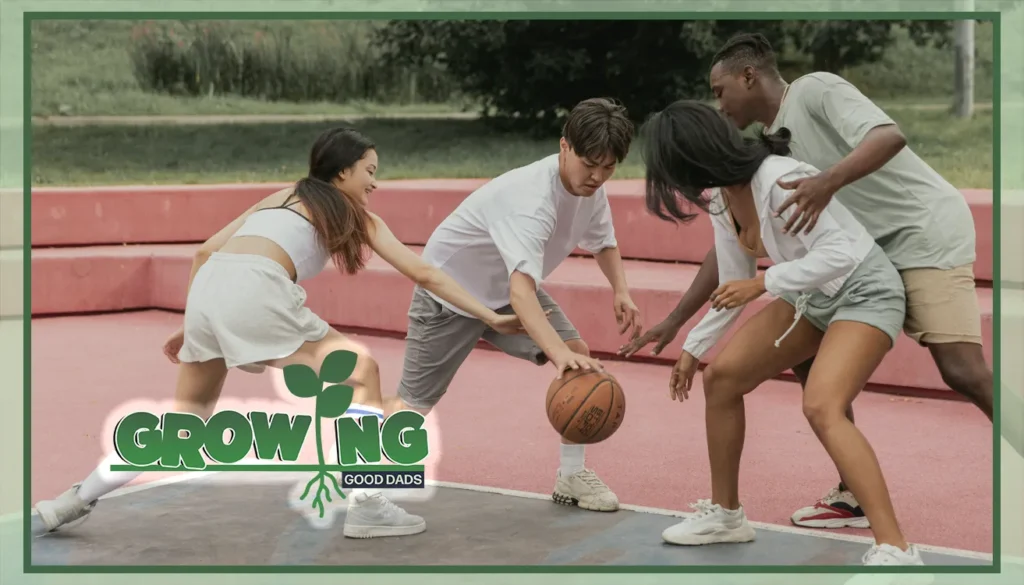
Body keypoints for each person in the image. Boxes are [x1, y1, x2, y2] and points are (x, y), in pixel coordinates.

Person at [33, 127, 530, 540]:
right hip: (255, 286)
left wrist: (192, 323)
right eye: (370, 172)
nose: (375, 184)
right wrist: (489, 315)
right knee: (363, 371)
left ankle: (73, 500)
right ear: (343, 172)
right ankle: (367, 503)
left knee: (185, 423)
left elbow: (206, 251)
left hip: (212, 287)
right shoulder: (356, 215)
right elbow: (426, 275)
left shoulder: (285, 196)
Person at [622, 31, 1002, 531]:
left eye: (719, 91)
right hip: (847, 254)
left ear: (748, 75)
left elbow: (890, 136)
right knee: (803, 363)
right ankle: (851, 490)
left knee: (961, 370)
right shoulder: (748, 166)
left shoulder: (814, 90)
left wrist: (826, 183)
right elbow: (732, 251)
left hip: (918, 231)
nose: (718, 103)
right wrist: (679, 324)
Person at [639, 99, 927, 569]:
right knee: (724, 377)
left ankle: (897, 551)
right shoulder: (721, 198)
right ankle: (727, 517)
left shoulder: (777, 177)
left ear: (692, 157)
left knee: (821, 405)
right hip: (810, 296)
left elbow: (837, 255)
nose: (671, 182)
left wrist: (764, 283)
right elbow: (734, 278)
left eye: (670, 168)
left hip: (864, 289)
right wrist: (693, 348)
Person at [385, 97, 643, 513]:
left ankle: (571, 476)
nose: (597, 176)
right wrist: (555, 355)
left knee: (577, 356)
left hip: (504, 287)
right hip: (450, 294)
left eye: (609, 167)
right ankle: (366, 492)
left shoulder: (590, 189)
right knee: (415, 403)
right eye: (590, 163)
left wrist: (621, 290)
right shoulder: (530, 200)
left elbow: (603, 242)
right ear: (565, 146)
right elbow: (523, 294)